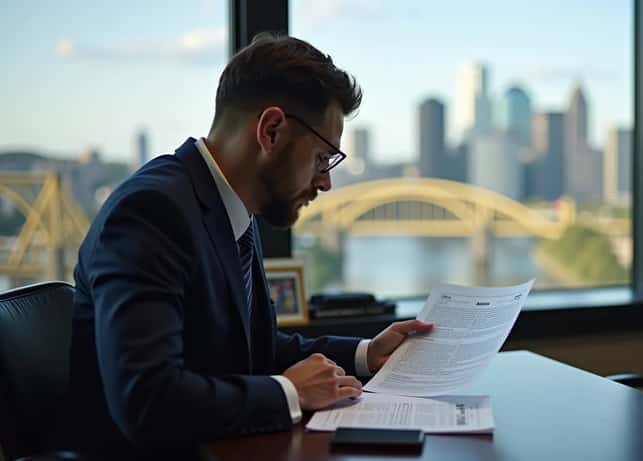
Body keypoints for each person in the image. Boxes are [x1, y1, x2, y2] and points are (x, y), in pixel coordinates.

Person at [56, 32, 433, 454]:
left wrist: (366, 355)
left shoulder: (230, 209)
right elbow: (147, 400)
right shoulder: (150, 213)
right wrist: (289, 393)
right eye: (323, 158)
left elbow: (256, 348)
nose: (326, 182)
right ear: (271, 131)